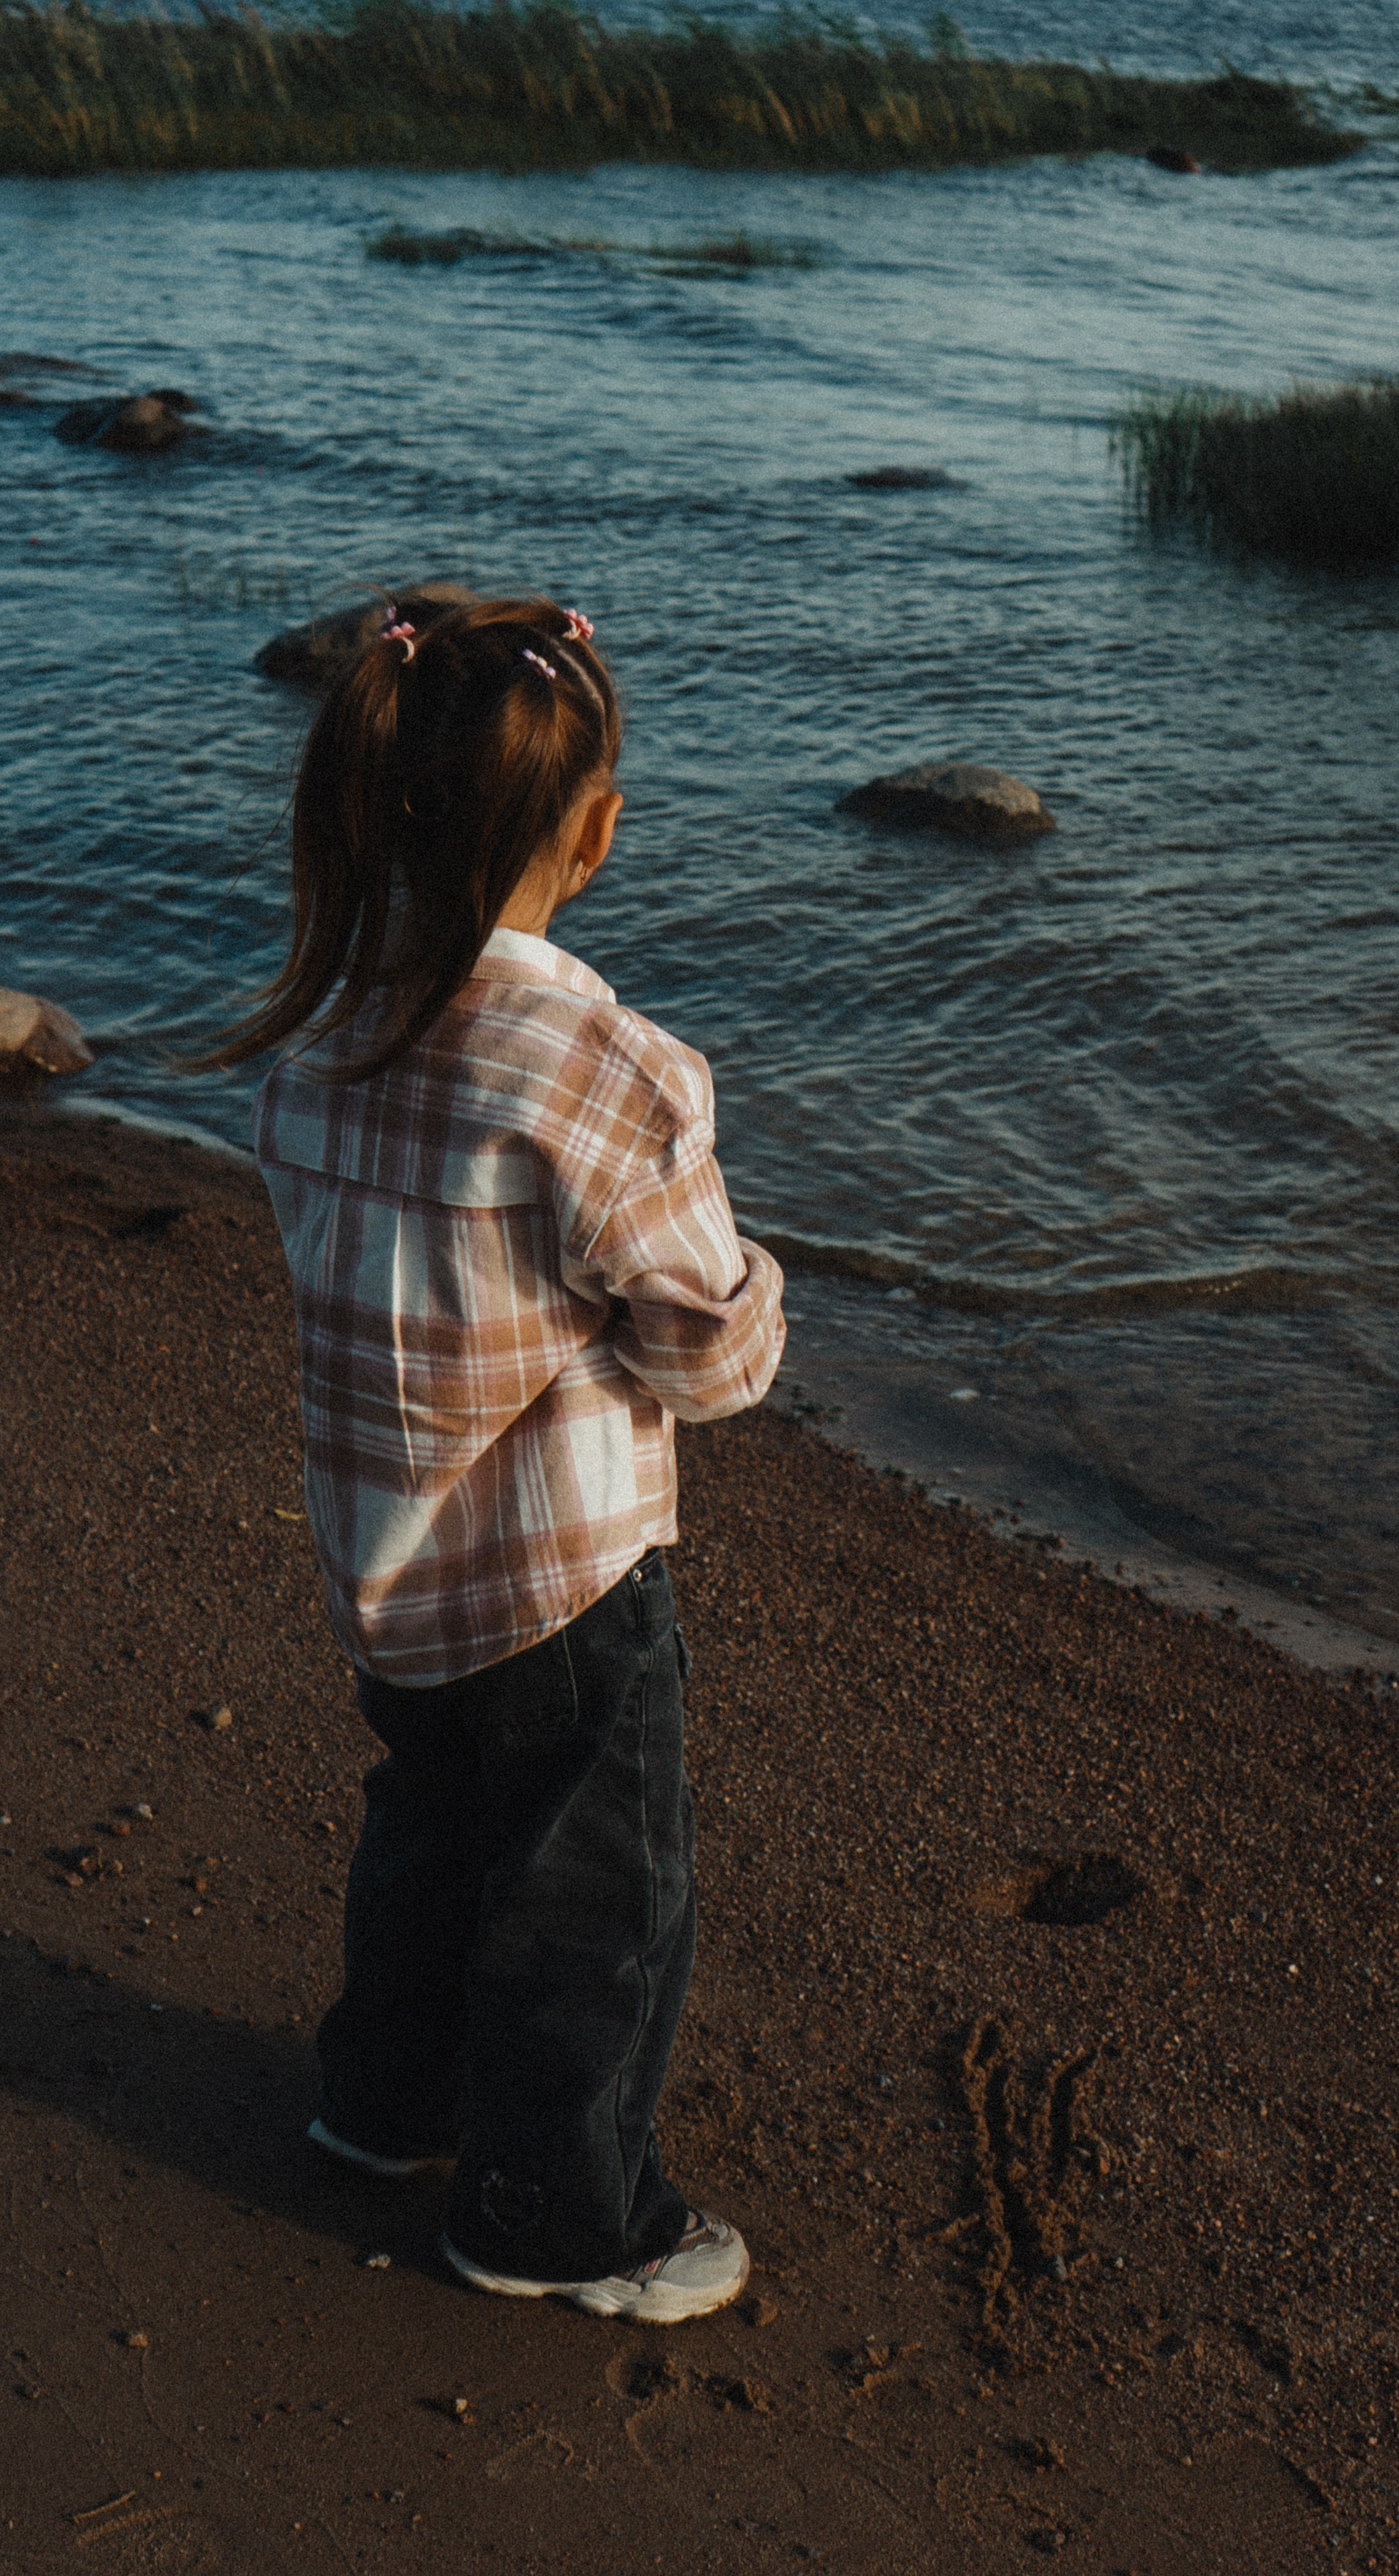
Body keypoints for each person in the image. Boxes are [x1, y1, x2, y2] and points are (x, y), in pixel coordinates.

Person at [204, 594, 785, 2323]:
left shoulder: (312, 1039)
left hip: (384, 1557)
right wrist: (749, 1296)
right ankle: (551, 2213)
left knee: (434, 1829)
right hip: (560, 1576)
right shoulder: (603, 1070)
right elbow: (707, 1356)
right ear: (595, 832)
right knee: (594, 1896)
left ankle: (384, 2107)